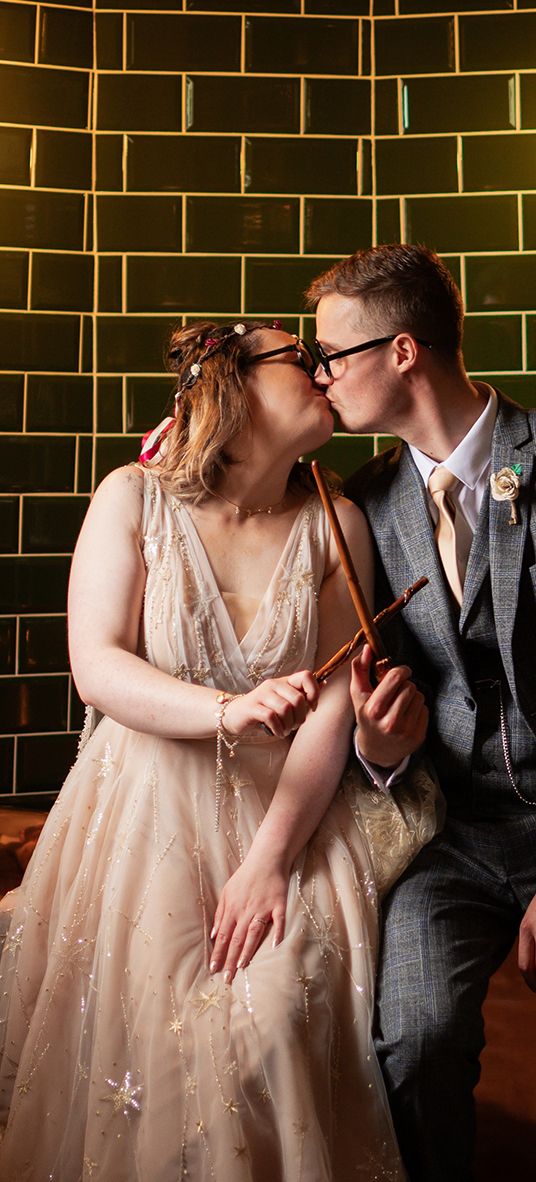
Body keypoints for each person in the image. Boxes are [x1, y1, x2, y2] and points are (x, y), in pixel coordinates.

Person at [0, 318, 439, 1181]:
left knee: (271, 1017)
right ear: (232, 382)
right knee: (156, 1046)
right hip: (145, 806)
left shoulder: (339, 523)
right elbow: (96, 666)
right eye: (298, 358)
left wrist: (268, 864)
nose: (320, 369)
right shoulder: (133, 497)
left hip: (291, 815)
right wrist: (228, 710)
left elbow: (332, 713)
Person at [306, 243, 536, 1182]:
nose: (321, 376)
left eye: (332, 354)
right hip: (451, 836)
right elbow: (381, 716)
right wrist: (380, 747)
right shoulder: (363, 505)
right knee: (412, 1036)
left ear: (402, 351)